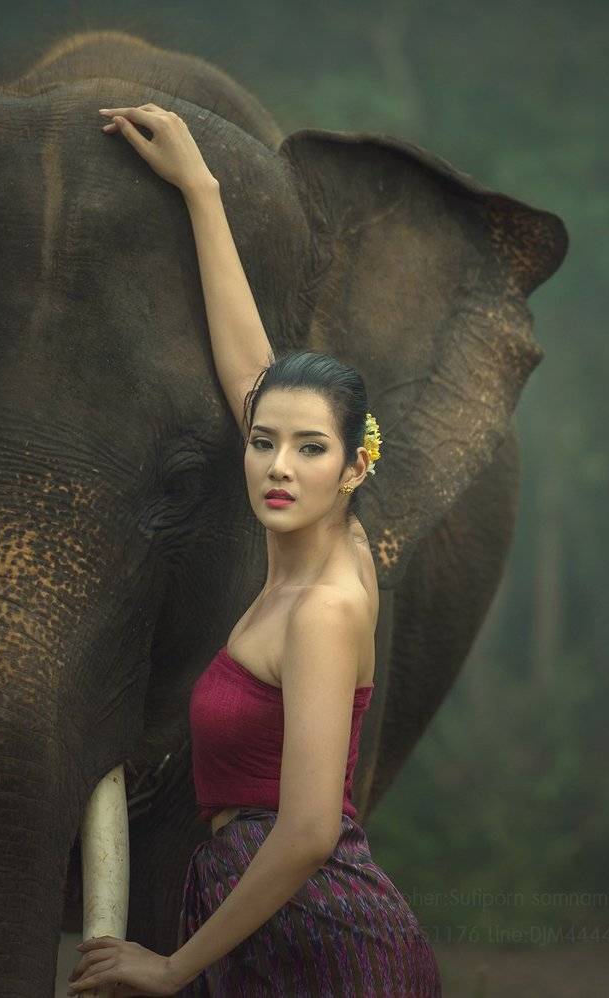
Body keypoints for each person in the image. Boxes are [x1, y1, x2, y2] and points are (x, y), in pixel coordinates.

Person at [65, 103, 442, 996]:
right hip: (269, 920)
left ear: (355, 468)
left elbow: (310, 831)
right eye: (262, 441)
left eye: (310, 450)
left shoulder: (325, 608)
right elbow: (251, 372)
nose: (277, 467)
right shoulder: (326, 548)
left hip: (327, 935)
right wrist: (200, 189)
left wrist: (171, 967)